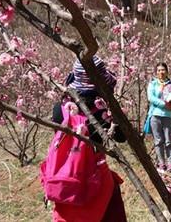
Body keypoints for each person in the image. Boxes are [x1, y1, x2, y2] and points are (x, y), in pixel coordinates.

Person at [50, 55, 127, 222]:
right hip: (98, 182)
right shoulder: (105, 112)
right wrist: (116, 115)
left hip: (66, 183)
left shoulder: (59, 109)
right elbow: (122, 137)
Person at [146, 62, 171, 173]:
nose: (161, 72)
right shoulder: (153, 84)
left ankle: (170, 164)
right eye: (159, 70)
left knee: (168, 141)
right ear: (156, 72)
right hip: (155, 115)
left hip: (168, 116)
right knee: (158, 141)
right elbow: (151, 98)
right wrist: (164, 104)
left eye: (163, 70)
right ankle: (162, 163)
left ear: (167, 71)